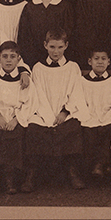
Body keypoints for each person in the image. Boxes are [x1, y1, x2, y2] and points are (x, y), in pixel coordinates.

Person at [23, 29, 89, 191]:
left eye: (60, 47)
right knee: (34, 128)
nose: (56, 51)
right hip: (43, 112)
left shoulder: (72, 67)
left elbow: (76, 93)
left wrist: (64, 112)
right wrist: (48, 116)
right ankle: (32, 174)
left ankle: (72, 171)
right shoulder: (38, 68)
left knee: (72, 127)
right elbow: (37, 93)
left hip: (65, 111)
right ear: (45, 45)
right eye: (52, 47)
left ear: (66, 46)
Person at [0, 41, 35, 195]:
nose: (9, 60)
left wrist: (16, 119)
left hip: (16, 119)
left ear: (19, 59)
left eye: (12, 56)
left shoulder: (24, 81)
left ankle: (9, 179)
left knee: (13, 136)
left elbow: (30, 103)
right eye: (5, 57)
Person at [16, 0, 75, 67]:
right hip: (33, 59)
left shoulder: (65, 7)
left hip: (58, 59)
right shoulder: (30, 7)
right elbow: (24, 36)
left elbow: (69, 34)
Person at [78, 48, 111, 180]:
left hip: (108, 116)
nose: (100, 62)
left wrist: (110, 116)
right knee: (88, 132)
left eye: (103, 59)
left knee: (107, 130)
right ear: (89, 61)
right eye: (96, 59)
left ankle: (101, 165)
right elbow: (79, 101)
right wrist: (86, 116)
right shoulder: (82, 81)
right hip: (88, 116)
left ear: (109, 62)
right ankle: (92, 167)